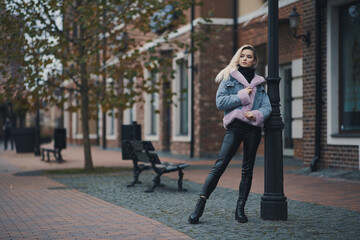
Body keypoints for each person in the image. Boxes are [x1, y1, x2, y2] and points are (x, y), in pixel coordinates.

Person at [188, 45, 272, 224]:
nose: (245, 59)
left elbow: (267, 107)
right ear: (238, 58)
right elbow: (220, 102)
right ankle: (199, 206)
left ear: (254, 61)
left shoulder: (259, 83)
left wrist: (256, 114)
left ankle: (240, 209)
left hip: (252, 129)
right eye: (242, 56)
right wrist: (242, 95)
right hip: (235, 127)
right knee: (220, 165)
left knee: (247, 169)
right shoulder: (229, 78)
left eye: (249, 56)